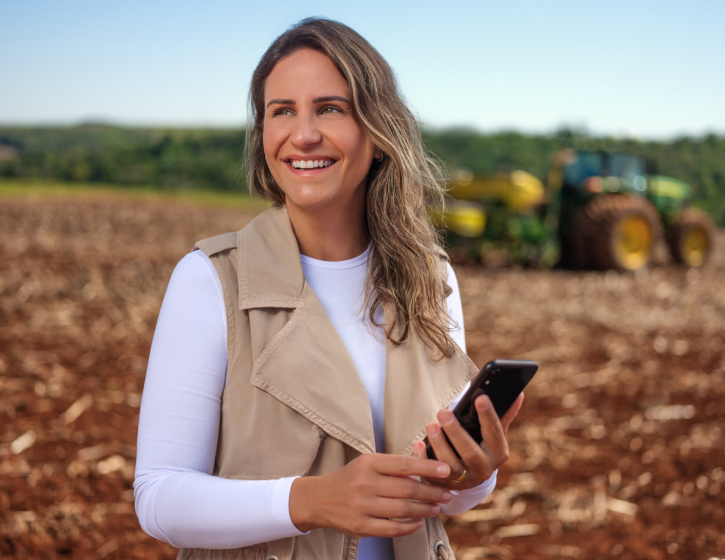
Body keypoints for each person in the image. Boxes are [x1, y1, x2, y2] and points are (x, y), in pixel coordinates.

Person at [134, 18, 523, 560]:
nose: (304, 133)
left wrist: (471, 478)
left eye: (330, 108)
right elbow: (159, 499)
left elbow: (447, 501)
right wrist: (310, 501)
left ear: (378, 132)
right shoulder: (209, 281)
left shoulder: (431, 279)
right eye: (282, 111)